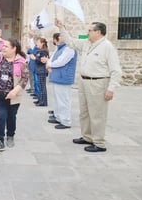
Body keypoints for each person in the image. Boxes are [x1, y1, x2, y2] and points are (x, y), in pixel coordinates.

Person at [55, 18, 122, 152]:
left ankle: (99, 142)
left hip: (98, 83)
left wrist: (111, 88)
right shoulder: (87, 43)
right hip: (84, 82)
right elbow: (71, 42)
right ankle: (87, 136)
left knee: (97, 114)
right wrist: (61, 28)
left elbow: (116, 70)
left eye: (90, 30)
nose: (88, 32)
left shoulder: (107, 47)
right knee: (84, 112)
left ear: (98, 32)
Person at [0, 38, 28, 151]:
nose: (3, 48)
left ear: (14, 48)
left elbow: (25, 79)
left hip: (13, 96)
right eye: (3, 46)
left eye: (6, 46)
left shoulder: (22, 62)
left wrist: (15, 91)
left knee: (11, 117)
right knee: (1, 117)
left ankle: (10, 135)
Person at [44, 33, 77, 129]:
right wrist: (49, 63)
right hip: (57, 77)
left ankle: (66, 121)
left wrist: (49, 64)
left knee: (63, 100)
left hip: (63, 77)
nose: (61, 37)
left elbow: (61, 61)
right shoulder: (59, 48)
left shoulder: (69, 48)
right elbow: (51, 59)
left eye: (63, 35)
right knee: (57, 99)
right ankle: (58, 117)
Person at [30, 37, 49, 107]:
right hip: (38, 70)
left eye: (38, 42)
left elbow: (42, 60)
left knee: (42, 87)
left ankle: (43, 102)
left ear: (42, 43)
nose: (37, 44)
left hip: (42, 70)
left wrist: (34, 58)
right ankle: (40, 99)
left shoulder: (44, 51)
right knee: (40, 86)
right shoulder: (39, 50)